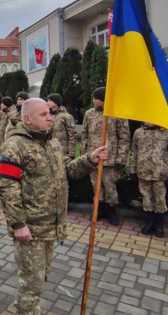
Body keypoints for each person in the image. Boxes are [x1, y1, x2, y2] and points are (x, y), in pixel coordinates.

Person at [0, 98, 108, 315]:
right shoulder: (14, 145)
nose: (50, 118)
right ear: (27, 119)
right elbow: (7, 187)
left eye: (49, 113)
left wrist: (90, 160)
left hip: (51, 225)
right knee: (32, 283)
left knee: (42, 275)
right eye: (43, 115)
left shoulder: (52, 142)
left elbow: (68, 169)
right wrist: (19, 224)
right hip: (31, 227)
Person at [81, 87, 129, 225]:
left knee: (110, 187)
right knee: (96, 186)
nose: (93, 101)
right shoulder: (89, 114)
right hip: (93, 158)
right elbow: (84, 135)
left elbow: (124, 138)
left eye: (97, 98)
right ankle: (99, 209)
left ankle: (112, 211)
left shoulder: (117, 114)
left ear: (104, 100)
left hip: (109, 158)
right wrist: (85, 157)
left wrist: (120, 160)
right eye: (93, 98)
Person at [130, 122, 168, 237]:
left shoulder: (165, 133)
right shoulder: (138, 133)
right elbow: (133, 152)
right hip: (143, 171)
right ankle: (149, 222)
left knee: (160, 199)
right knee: (146, 197)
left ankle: (159, 224)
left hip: (159, 173)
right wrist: (132, 170)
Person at [47, 94, 76, 159]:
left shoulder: (66, 116)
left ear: (56, 102)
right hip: (48, 149)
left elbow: (72, 135)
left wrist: (71, 153)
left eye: (50, 100)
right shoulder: (47, 116)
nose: (47, 102)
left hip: (62, 150)